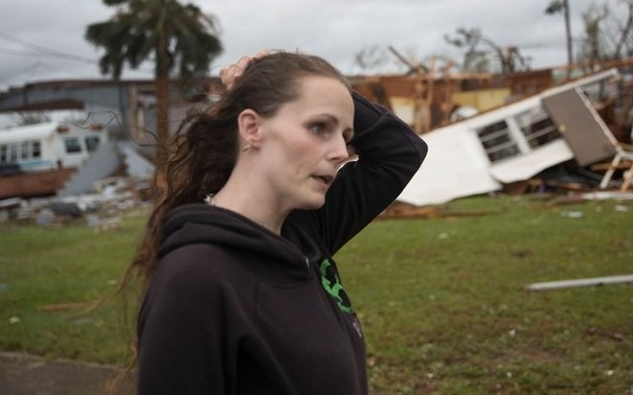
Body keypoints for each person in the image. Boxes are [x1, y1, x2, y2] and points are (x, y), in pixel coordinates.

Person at [132, 51, 427, 394]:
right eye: (319, 127)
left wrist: (299, 75)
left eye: (345, 135)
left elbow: (400, 152)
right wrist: (287, 78)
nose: (342, 152)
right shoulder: (194, 281)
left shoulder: (305, 230)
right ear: (252, 127)